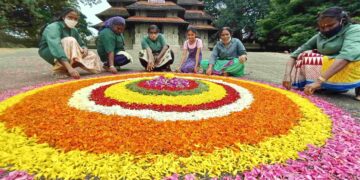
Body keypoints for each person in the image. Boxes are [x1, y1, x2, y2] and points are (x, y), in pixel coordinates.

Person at [282, 7, 360, 101]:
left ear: (342, 21)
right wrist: (287, 75)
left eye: (330, 25)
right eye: (322, 27)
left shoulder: (354, 30)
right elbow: (295, 54)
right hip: (334, 64)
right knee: (305, 55)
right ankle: (330, 86)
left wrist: (319, 81)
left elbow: (347, 56)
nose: (326, 29)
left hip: (352, 63)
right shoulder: (321, 35)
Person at [38, 8, 101, 79]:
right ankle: (60, 70)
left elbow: (81, 44)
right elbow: (55, 46)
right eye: (70, 17)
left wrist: (84, 48)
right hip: (51, 51)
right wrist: (69, 68)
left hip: (67, 52)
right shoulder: (53, 27)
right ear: (63, 17)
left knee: (91, 55)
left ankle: (69, 66)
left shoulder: (74, 30)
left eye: (75, 19)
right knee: (70, 40)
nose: (73, 20)